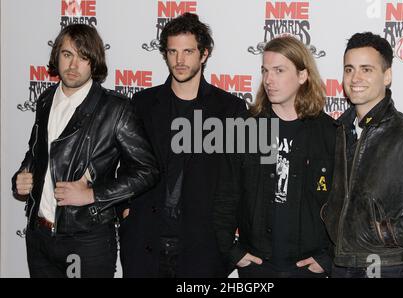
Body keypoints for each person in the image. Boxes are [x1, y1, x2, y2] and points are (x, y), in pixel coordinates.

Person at [12, 24, 159, 278]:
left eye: (83, 57)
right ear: (57, 55)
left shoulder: (115, 109)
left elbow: (148, 171)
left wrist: (93, 195)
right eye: (67, 54)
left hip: (86, 239)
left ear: (94, 63)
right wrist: (22, 177)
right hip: (39, 237)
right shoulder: (46, 99)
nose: (73, 65)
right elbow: (35, 152)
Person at [118, 12, 246, 277]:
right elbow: (125, 166)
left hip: (202, 249)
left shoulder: (229, 109)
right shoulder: (142, 104)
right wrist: (125, 212)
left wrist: (224, 238)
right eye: (173, 51)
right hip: (144, 243)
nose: (179, 60)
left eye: (188, 51)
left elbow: (236, 181)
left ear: (204, 54)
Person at [322, 32, 403, 278]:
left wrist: (386, 232)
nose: (355, 78)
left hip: (388, 267)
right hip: (339, 265)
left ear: (387, 76)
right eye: (349, 69)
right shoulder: (337, 132)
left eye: (366, 69)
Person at [213, 36, 336, 278]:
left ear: (302, 75)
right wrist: (232, 250)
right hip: (257, 265)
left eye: (279, 71)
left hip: (308, 268)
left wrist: (328, 257)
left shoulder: (330, 133)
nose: (269, 80)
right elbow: (223, 197)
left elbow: (343, 204)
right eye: (265, 71)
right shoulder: (244, 128)